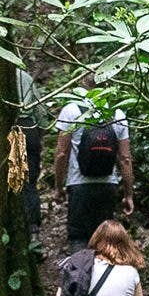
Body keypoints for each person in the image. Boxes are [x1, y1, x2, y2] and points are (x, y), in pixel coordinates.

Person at [54, 78, 134, 248]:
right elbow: (125, 159)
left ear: (82, 82)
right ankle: (103, 274)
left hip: (79, 186)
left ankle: (81, 274)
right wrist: (128, 195)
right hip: (107, 186)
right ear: (106, 83)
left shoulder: (71, 111)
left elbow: (61, 153)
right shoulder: (118, 114)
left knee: (79, 238)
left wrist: (58, 187)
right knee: (105, 241)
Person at [16, 69, 50, 229]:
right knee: (29, 181)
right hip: (29, 127)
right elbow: (40, 110)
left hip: (14, 127)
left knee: (14, 181)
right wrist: (39, 132)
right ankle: (33, 225)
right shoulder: (25, 77)